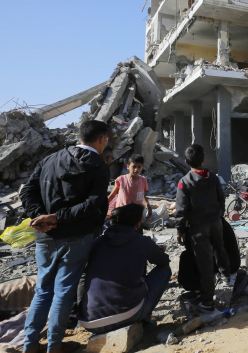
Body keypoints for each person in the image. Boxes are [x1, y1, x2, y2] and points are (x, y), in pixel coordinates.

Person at [20, 120, 111, 353]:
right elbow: (92, 204)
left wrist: (40, 218)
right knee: (63, 291)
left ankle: (30, 345)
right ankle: (54, 346)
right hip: (76, 237)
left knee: (43, 290)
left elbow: (27, 191)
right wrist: (54, 218)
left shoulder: (50, 159)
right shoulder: (99, 166)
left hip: (45, 237)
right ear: (102, 139)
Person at [78, 203, 171, 334]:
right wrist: (156, 250)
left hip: (89, 322)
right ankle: (145, 321)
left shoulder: (97, 243)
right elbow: (164, 261)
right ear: (138, 224)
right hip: (126, 316)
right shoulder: (142, 242)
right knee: (164, 270)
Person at [176, 143, 232, 313]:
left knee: (205, 262)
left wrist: (180, 230)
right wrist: (219, 214)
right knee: (219, 248)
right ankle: (226, 276)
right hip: (215, 221)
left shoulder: (184, 182)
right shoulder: (213, 177)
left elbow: (181, 209)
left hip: (198, 227)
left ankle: (208, 301)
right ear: (203, 160)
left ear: (186, 162)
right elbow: (221, 198)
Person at [107, 154, 152, 221]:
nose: (136, 169)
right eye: (134, 166)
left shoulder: (143, 180)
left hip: (136, 214)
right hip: (122, 213)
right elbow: (112, 195)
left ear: (142, 167)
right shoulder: (121, 179)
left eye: (139, 167)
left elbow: (142, 195)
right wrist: (102, 205)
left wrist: (148, 207)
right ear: (128, 166)